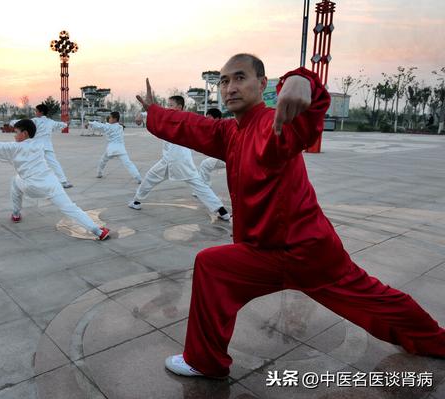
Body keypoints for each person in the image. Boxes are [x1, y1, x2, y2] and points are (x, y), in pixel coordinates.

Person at [135, 54, 445, 379]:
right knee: (216, 269)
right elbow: (193, 126)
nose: (230, 87)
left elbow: (304, 122)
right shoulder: (231, 132)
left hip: (302, 249)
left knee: (373, 299)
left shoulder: (275, 123)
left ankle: (435, 340)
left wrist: (302, 80)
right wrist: (156, 113)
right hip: (269, 251)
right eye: (224, 81)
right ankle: (205, 359)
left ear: (262, 83)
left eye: (240, 78)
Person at [0, 119, 110, 240]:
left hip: (31, 186)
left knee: (15, 181)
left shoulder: (14, 147)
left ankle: (15, 214)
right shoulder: (40, 143)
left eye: (16, 132)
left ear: (25, 133)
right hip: (51, 183)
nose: (14, 135)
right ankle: (98, 231)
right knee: (70, 207)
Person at [129, 96, 231, 221]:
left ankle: (136, 201)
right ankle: (221, 210)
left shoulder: (181, 118)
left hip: (177, 159)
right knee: (197, 184)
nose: (168, 107)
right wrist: (142, 113)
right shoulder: (171, 117)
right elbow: (146, 117)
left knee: (153, 178)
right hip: (173, 160)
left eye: (171, 105)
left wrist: (144, 114)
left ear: (180, 107)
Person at [87, 111, 142, 183]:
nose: (109, 119)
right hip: (120, 149)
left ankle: (99, 173)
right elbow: (117, 126)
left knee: (103, 160)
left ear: (114, 119)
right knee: (128, 163)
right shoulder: (120, 127)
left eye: (110, 117)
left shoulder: (108, 127)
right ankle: (138, 177)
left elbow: (99, 125)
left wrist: (89, 123)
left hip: (111, 149)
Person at [32, 104, 73, 188]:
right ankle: (63, 181)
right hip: (47, 146)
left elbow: (23, 123)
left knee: (32, 163)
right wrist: (66, 124)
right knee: (54, 163)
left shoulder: (34, 121)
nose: (35, 112)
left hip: (36, 147)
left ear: (41, 112)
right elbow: (61, 125)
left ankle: (33, 182)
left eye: (36, 111)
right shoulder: (50, 121)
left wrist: (12, 123)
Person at [197, 108, 227, 188]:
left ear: (217, 118)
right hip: (226, 156)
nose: (206, 120)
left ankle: (204, 188)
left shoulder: (223, 127)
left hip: (231, 156)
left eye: (209, 118)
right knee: (205, 164)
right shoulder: (216, 127)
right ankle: (204, 187)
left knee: (205, 164)